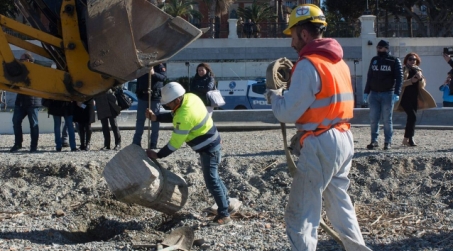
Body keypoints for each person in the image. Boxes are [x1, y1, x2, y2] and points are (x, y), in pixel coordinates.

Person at [266, 4, 370, 250]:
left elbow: (287, 112)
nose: (291, 43)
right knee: (340, 205)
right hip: (343, 137)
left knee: (301, 214)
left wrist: (274, 96)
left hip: (321, 141)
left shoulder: (308, 64)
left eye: (292, 36)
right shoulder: (339, 63)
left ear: (303, 34)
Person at [145, 82, 232, 226]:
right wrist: (156, 118)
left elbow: (175, 143)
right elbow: (175, 114)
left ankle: (224, 214)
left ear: (177, 100)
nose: (167, 106)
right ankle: (226, 204)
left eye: (168, 104)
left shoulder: (184, 116)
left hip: (208, 149)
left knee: (212, 182)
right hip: (214, 141)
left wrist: (158, 155)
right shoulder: (190, 97)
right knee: (215, 178)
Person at [363, 39, 403, 150]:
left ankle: (387, 142)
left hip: (388, 93)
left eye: (380, 48)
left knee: (387, 119)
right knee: (373, 119)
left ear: (386, 48)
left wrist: (396, 93)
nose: (378, 50)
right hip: (374, 93)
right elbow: (369, 76)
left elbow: (399, 78)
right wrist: (366, 91)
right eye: (377, 48)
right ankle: (374, 141)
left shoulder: (394, 61)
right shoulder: (374, 60)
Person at [394, 53, 436, 147]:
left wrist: (420, 79)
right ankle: (408, 139)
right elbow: (399, 84)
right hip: (404, 97)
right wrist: (411, 81)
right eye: (410, 59)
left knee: (412, 118)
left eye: (414, 59)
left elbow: (423, 85)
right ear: (406, 60)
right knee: (412, 116)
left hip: (415, 96)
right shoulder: (403, 70)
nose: (412, 61)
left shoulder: (418, 70)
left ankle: (408, 139)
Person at [10, 53, 41, 153]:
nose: (20, 61)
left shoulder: (36, 71)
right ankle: (18, 144)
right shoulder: (21, 70)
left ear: (28, 60)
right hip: (20, 102)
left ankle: (33, 146)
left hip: (32, 102)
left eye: (22, 59)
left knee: (34, 124)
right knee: (16, 121)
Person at [132, 63, 167, 149]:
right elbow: (136, 76)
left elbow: (163, 77)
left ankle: (153, 143)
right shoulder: (141, 64)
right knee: (140, 120)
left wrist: (153, 73)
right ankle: (136, 142)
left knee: (155, 120)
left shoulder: (158, 64)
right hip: (142, 96)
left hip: (154, 97)